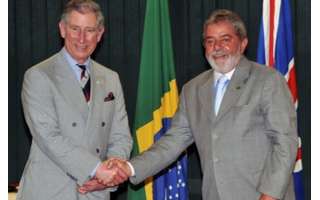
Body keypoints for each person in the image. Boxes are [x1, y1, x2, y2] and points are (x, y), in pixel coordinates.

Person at [102, 9, 299, 200]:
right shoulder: (192, 89)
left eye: (225, 39)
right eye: (210, 41)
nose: (217, 47)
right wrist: (129, 168)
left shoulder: (267, 80)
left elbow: (285, 143)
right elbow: (172, 143)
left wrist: (270, 196)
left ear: (243, 43)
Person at [16, 0, 132, 199]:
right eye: (75, 28)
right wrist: (96, 168)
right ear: (62, 29)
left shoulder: (111, 78)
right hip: (50, 192)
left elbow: (121, 136)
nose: (81, 38)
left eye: (89, 30)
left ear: (100, 33)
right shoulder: (39, 76)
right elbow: (49, 137)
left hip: (96, 191)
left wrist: (111, 173)